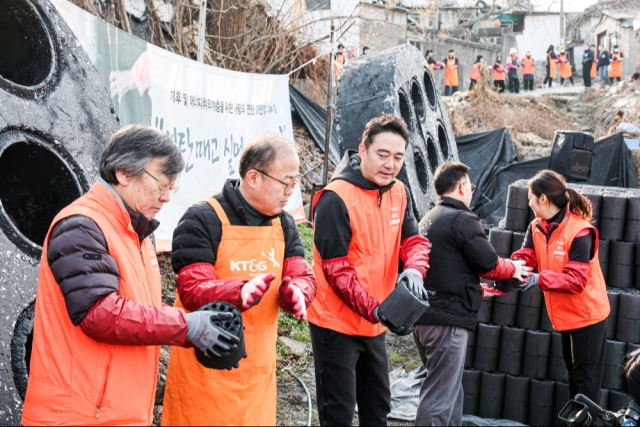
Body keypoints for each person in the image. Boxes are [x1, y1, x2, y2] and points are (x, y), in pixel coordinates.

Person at [21, 125, 242, 425]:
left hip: (117, 414)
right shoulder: (82, 226)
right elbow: (100, 313)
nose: (165, 197)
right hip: (78, 416)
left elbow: (138, 311)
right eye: (161, 183)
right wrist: (185, 325)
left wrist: (194, 329)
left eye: (171, 187)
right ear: (123, 172)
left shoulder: (136, 234)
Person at [161, 135, 317, 425]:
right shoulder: (202, 219)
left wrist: (298, 291)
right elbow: (194, 289)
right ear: (254, 177)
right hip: (206, 372)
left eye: (295, 183)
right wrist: (239, 291)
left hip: (258, 373)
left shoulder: (284, 224)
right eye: (286, 182)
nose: (291, 192)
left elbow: (299, 271)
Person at [309, 114, 431, 426]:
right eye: (382, 154)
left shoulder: (398, 192)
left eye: (398, 156)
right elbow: (337, 271)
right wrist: (376, 310)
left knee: (377, 408)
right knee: (338, 411)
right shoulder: (335, 199)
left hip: (375, 321)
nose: (390, 164)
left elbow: (413, 239)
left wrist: (415, 269)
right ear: (362, 151)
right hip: (336, 323)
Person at [414, 162, 531, 426]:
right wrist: (514, 267)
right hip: (447, 322)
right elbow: (487, 264)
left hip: (425, 316)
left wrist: (480, 291)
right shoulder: (462, 218)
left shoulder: (430, 217)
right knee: (439, 397)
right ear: (463, 185)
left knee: (450, 391)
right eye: (471, 186)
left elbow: (446, 269)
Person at [512, 170, 610, 404]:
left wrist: (538, 279)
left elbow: (575, 281)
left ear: (543, 199)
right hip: (566, 315)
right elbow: (525, 256)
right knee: (575, 377)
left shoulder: (580, 231)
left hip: (587, 315)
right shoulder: (537, 226)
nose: (528, 203)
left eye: (530, 198)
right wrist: (511, 269)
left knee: (585, 383)